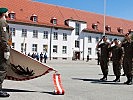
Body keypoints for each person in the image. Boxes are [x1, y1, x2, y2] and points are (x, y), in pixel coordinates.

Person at [0, 7, 11, 97]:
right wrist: (6, 50)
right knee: (2, 69)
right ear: (3, 13)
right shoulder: (2, 22)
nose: (9, 12)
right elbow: (4, 38)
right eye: (7, 11)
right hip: (2, 50)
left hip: (2, 48)